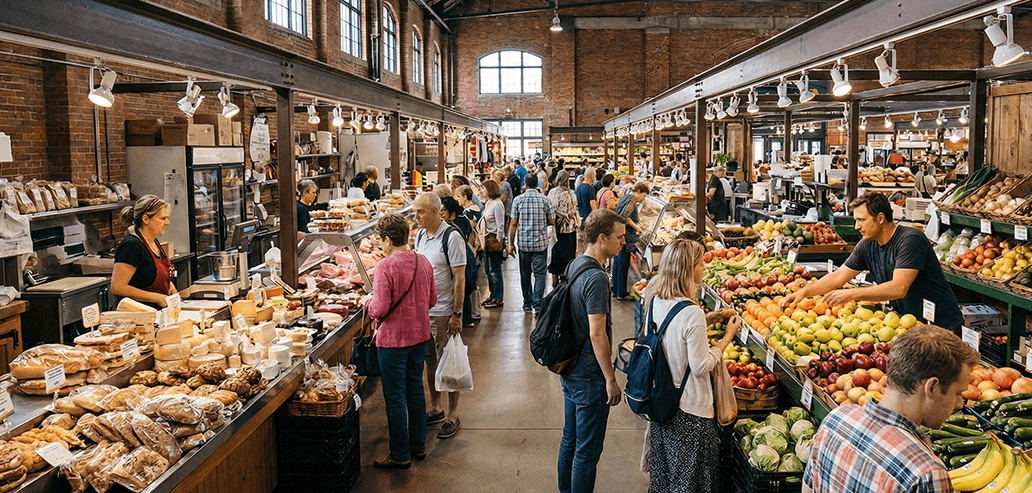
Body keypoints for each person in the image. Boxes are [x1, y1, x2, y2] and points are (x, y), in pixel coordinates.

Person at [803, 324, 980, 492]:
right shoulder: (926, 474)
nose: (959, 404)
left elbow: (807, 489)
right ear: (931, 387)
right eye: (958, 393)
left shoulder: (836, 419)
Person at [781, 192, 964, 333]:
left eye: (861, 220)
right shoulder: (867, 244)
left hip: (940, 325)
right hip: (907, 324)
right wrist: (803, 293)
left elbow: (899, 288)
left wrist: (852, 294)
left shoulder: (910, 240)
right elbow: (838, 276)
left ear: (881, 218)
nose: (856, 227)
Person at [643, 238, 740, 493]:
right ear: (688, 269)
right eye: (700, 264)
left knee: (666, 480)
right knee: (692, 483)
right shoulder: (691, 311)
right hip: (690, 413)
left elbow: (672, 334)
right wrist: (727, 338)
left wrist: (711, 318)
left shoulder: (655, 301)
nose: (704, 269)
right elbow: (700, 366)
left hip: (663, 405)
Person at [557, 209, 627, 493]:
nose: (623, 242)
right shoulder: (596, 278)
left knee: (570, 440)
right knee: (587, 451)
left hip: (571, 367)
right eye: (619, 237)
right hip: (589, 373)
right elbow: (597, 333)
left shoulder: (576, 264)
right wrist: (610, 378)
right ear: (602, 238)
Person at [367, 213, 437, 469]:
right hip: (420, 336)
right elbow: (432, 300)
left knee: (395, 397)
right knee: (415, 391)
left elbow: (380, 308)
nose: (380, 244)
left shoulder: (386, 266)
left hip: (394, 342)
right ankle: (418, 447)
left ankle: (400, 454)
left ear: (387, 240)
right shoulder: (423, 261)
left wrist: (368, 303)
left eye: (380, 240)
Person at [413, 192, 467, 439]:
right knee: (430, 361)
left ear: (436, 212)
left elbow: (459, 278)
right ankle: (435, 406)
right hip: (424, 312)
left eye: (420, 212)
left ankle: (453, 414)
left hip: (445, 312)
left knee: (449, 361)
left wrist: (457, 314)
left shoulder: (451, 236)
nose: (416, 217)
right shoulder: (421, 235)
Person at [112, 195, 178, 309]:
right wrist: (156, 298)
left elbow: (156, 275)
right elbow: (117, 287)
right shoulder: (132, 246)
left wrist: (171, 288)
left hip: (155, 313)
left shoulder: (154, 242)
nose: (168, 222)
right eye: (163, 218)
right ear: (146, 219)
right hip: (135, 315)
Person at [508, 173, 554, 315]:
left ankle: (527, 302)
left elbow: (513, 223)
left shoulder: (518, 200)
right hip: (540, 243)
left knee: (525, 273)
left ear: (525, 185)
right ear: (537, 184)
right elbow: (552, 222)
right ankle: (538, 304)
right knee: (540, 274)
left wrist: (511, 243)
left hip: (524, 243)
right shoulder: (545, 200)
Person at [441, 196, 479, 328]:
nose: (441, 215)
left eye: (443, 211)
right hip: (468, 255)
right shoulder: (464, 220)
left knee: (461, 285)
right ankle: (467, 318)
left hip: (461, 258)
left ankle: (465, 318)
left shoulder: (450, 228)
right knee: (466, 288)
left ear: (451, 212)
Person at [612, 183, 650, 299]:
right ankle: (621, 293)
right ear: (638, 191)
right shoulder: (633, 200)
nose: (642, 199)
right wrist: (637, 228)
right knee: (623, 263)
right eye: (643, 195)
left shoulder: (626, 196)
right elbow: (624, 217)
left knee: (617, 263)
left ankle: (616, 289)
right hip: (626, 235)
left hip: (618, 233)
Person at [548, 170, 579, 286]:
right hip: (570, 228)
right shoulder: (571, 193)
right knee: (569, 252)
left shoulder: (553, 192)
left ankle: (554, 275)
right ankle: (567, 274)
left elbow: (550, 208)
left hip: (557, 227)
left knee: (556, 251)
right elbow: (575, 209)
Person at [481, 180, 506, 308]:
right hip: (487, 239)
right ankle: (492, 294)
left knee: (495, 269)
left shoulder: (497, 204)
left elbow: (500, 225)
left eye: (484, 188)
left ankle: (498, 298)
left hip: (494, 240)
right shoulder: (489, 203)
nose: (481, 191)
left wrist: (499, 242)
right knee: (488, 270)